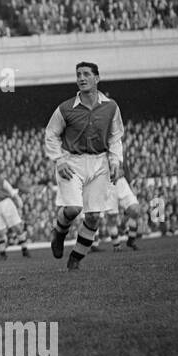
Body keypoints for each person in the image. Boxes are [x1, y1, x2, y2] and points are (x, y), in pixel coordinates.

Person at [43, 61, 123, 271]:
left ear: (97, 78)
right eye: (78, 74)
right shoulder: (66, 108)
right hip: (72, 161)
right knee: (73, 209)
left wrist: (115, 161)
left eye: (86, 74)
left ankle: (76, 258)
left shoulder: (111, 107)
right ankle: (58, 233)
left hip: (100, 162)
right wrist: (59, 160)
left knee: (94, 215)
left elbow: (116, 136)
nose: (81, 78)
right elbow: (51, 135)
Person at [101, 161, 142, 250]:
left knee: (135, 210)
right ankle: (117, 246)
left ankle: (131, 240)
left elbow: (125, 166)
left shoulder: (118, 147)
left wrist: (131, 184)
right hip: (107, 186)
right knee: (112, 218)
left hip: (121, 182)